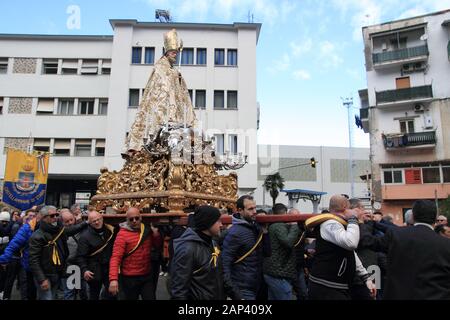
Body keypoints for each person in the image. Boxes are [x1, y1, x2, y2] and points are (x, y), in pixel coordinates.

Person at [126, 28, 196, 152]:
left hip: (174, 105)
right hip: (163, 106)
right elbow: (161, 85)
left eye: (176, 53)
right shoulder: (160, 67)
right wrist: (173, 76)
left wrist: (178, 78)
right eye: (173, 53)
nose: (175, 56)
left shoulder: (173, 69)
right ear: (167, 52)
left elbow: (177, 87)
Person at [368, 200, 450, 299]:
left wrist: (363, 222)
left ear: (412, 217)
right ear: (435, 218)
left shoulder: (397, 235)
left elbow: (369, 242)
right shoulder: (446, 244)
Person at [308, 195, 376, 300]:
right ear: (345, 207)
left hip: (339, 286)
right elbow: (351, 243)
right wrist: (353, 218)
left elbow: (350, 252)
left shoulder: (341, 223)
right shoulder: (329, 224)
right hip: (326, 286)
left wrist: (365, 277)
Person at [171, 206, 234, 300]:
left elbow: (222, 275)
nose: (221, 225)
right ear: (208, 223)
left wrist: (237, 296)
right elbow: (179, 291)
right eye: (218, 221)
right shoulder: (187, 249)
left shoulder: (213, 243)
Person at [28, 206, 88, 300]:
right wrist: (42, 279)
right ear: (44, 218)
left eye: (57, 215)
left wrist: (87, 222)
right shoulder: (37, 236)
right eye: (52, 216)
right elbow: (33, 260)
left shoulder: (58, 230)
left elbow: (72, 230)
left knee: (53, 296)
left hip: (57, 273)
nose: (55, 217)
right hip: (45, 275)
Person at [221, 195, 270, 300]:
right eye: (250, 209)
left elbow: (267, 253)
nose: (255, 211)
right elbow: (225, 264)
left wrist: (265, 232)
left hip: (256, 286)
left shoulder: (256, 227)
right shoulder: (235, 233)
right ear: (240, 210)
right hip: (242, 288)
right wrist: (234, 293)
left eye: (255, 208)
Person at [109, 207, 160, 300]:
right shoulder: (122, 235)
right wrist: (113, 279)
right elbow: (116, 257)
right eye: (131, 219)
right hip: (129, 278)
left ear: (140, 218)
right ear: (127, 220)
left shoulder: (146, 230)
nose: (134, 221)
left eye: (137, 218)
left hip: (146, 275)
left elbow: (157, 246)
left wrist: (156, 235)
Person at [0, 209, 40, 300]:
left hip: (24, 259)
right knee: (10, 279)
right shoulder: (17, 226)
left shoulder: (34, 227)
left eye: (34, 216)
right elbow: (14, 242)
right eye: (30, 215)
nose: (32, 217)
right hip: (14, 257)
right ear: (25, 216)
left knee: (24, 281)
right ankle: (6, 296)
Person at [263, 203, 299, 300]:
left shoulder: (274, 225)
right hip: (278, 274)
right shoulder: (278, 226)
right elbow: (288, 242)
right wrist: (295, 226)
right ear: (285, 213)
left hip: (275, 272)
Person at [77, 210, 116, 300]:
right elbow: (81, 256)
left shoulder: (110, 231)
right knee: (94, 295)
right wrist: (84, 270)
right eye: (94, 221)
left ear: (102, 219)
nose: (97, 222)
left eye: (98, 219)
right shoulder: (84, 237)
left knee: (112, 294)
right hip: (94, 270)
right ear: (90, 223)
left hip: (109, 269)